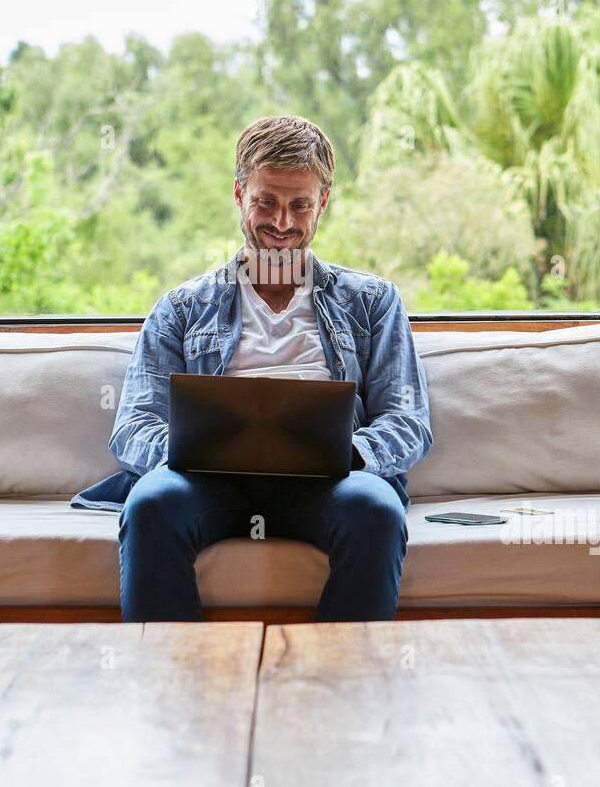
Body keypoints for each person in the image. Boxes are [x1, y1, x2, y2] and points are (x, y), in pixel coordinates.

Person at [72, 114, 432, 622]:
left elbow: (408, 420)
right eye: (266, 201)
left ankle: (347, 682)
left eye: (299, 205)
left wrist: (347, 451)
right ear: (239, 193)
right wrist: (193, 450)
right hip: (207, 484)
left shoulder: (373, 302)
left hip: (332, 483)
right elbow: (132, 425)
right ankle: (164, 680)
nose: (282, 222)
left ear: (322, 203)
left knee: (375, 509)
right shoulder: (181, 307)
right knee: (151, 502)